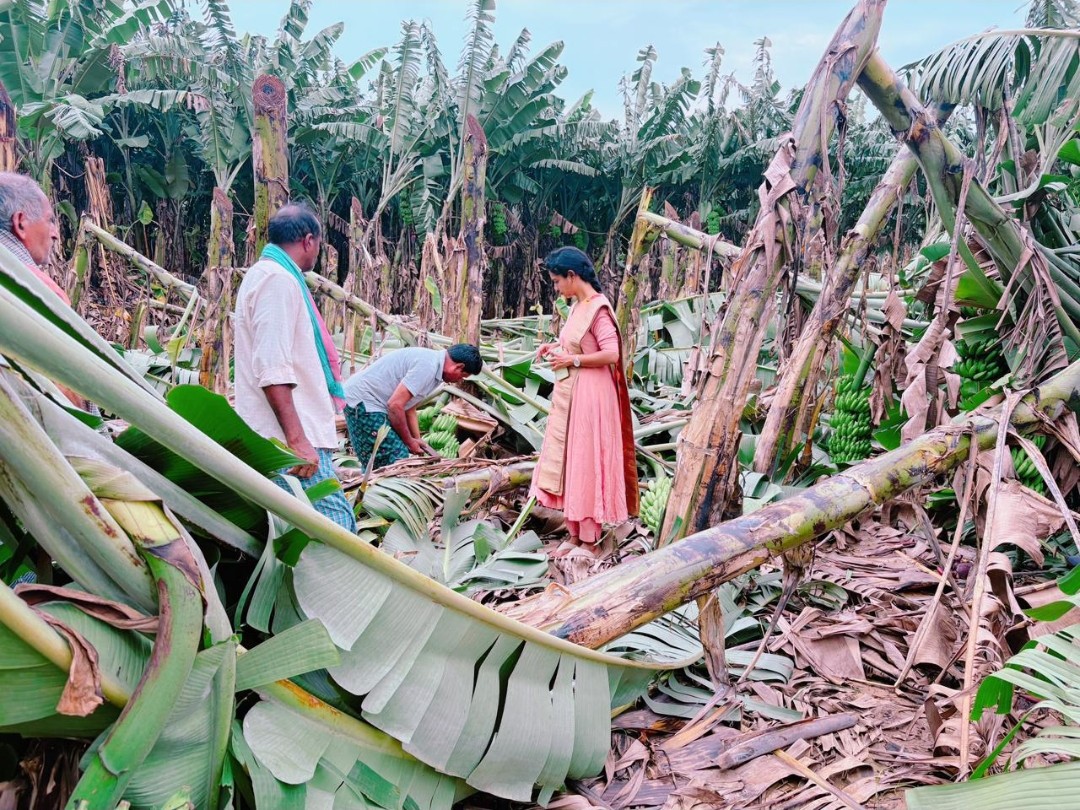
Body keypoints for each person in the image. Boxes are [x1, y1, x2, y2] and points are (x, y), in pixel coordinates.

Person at [233, 203, 357, 532]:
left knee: (297, 533)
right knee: (338, 529)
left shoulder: (268, 276)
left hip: (282, 436)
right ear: (308, 241)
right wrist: (297, 440)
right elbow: (272, 367)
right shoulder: (277, 281)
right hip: (289, 440)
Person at [529, 246, 638, 558]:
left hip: (592, 394)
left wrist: (572, 360)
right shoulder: (578, 306)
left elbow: (611, 354)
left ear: (572, 276)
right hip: (575, 392)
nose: (556, 287)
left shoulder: (599, 308)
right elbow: (577, 344)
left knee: (587, 461)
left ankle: (590, 537)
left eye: (557, 281)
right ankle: (575, 533)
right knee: (573, 461)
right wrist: (555, 348)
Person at [343, 344, 482, 469]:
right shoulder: (428, 366)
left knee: (380, 458)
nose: (459, 380)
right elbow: (395, 405)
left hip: (373, 402)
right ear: (459, 366)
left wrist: (417, 440)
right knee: (395, 458)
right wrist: (409, 441)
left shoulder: (434, 370)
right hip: (364, 401)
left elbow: (409, 408)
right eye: (463, 376)